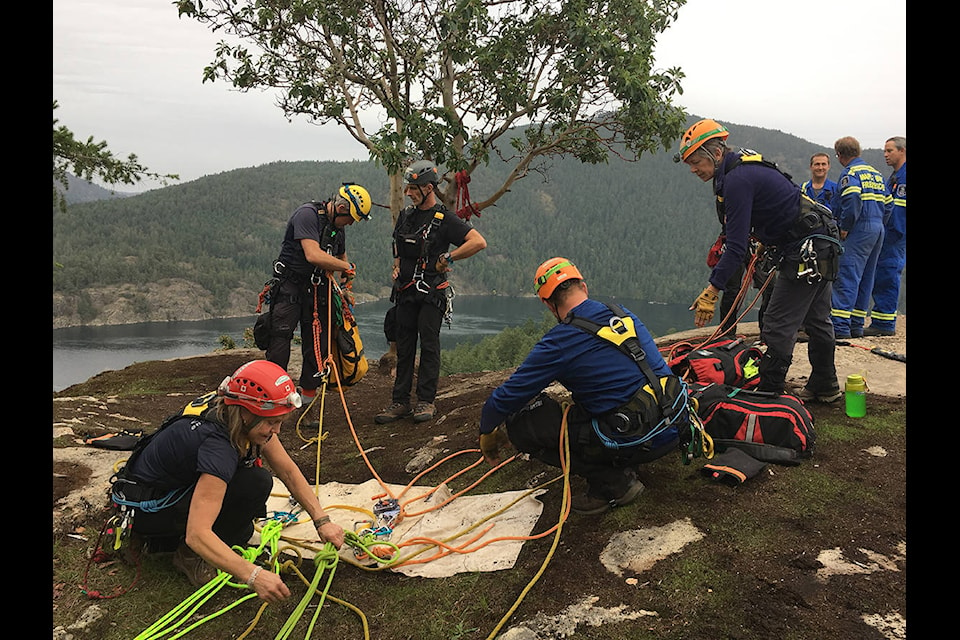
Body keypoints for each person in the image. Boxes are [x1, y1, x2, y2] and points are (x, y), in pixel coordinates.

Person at [116, 360, 346, 602]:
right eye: (271, 422)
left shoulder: (232, 412)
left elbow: (287, 470)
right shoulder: (218, 445)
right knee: (252, 488)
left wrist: (322, 521)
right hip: (148, 511)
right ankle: (184, 555)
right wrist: (253, 575)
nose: (276, 430)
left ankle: (168, 541)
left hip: (160, 492)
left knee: (252, 498)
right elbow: (197, 533)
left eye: (279, 422)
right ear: (247, 412)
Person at [477, 257, 685, 515]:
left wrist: (487, 432)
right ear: (583, 287)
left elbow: (506, 397)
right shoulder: (622, 313)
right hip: (673, 425)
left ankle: (612, 483)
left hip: (637, 437)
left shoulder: (560, 341)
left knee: (522, 424)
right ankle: (625, 456)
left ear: (548, 304)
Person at [676, 119, 843, 402]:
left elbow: (736, 244)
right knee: (817, 320)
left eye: (696, 162)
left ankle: (769, 392)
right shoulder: (742, 167)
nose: (693, 169)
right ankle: (825, 386)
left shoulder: (737, 180)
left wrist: (712, 289)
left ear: (716, 154)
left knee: (778, 322)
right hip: (820, 241)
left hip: (805, 248)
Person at [375, 160, 487, 424]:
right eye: (407, 188)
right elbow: (399, 247)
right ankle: (400, 401)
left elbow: (478, 242)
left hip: (431, 293)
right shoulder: (406, 217)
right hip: (405, 292)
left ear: (428, 188)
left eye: (413, 188)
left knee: (428, 345)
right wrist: (397, 265)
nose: (408, 193)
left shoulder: (445, 219)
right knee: (404, 346)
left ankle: (426, 401)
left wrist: (449, 257)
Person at [263, 183, 372, 399]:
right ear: (341, 208)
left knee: (317, 345)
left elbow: (341, 257)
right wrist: (346, 268)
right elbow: (312, 254)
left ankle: (308, 398)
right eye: (350, 218)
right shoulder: (307, 215)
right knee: (280, 339)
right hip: (291, 285)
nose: (350, 224)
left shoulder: (337, 229)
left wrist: (345, 285)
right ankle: (273, 396)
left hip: (318, 288)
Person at [830, 137, 890, 339]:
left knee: (847, 275)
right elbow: (889, 203)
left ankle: (839, 327)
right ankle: (856, 326)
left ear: (839, 155)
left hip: (859, 228)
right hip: (877, 228)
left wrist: (846, 226)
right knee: (866, 277)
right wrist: (880, 221)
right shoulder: (876, 173)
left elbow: (852, 197)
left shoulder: (851, 173)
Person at [864, 136, 906, 336]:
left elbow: (899, 210)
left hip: (895, 234)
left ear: (902, 151)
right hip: (888, 232)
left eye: (890, 151)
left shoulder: (904, 177)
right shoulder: (895, 176)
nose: (885, 155)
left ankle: (885, 323)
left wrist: (892, 233)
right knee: (881, 273)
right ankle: (881, 318)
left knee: (889, 273)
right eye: (885, 151)